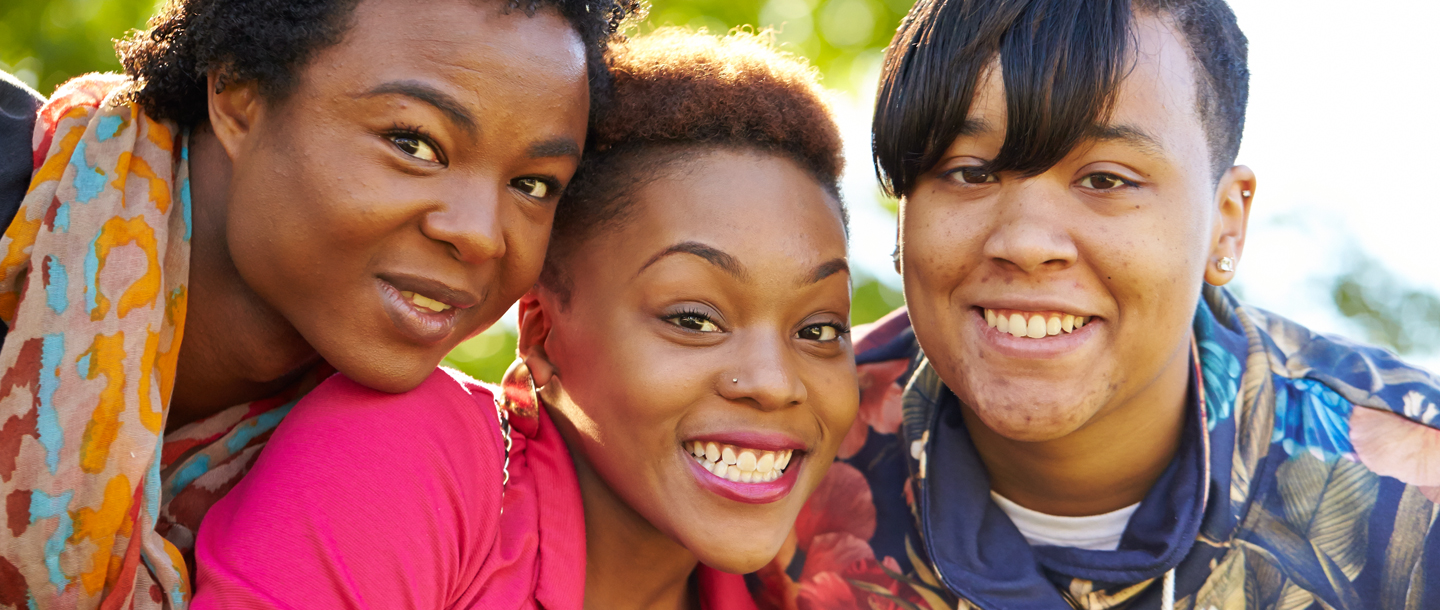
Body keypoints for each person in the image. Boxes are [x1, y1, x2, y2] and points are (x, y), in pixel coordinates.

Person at [752, 1, 1440, 609]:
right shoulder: (778, 452)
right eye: (969, 171)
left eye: (1106, 179)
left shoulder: (1413, 494)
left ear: (1226, 223)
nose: (1025, 242)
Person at [0, 0, 641, 606]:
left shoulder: (387, 488)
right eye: (414, 143)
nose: (479, 233)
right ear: (239, 94)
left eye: (533, 185)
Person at [189, 28, 856, 609]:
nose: (774, 383)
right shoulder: (416, 458)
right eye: (692, 318)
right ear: (541, 337)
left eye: (819, 330)